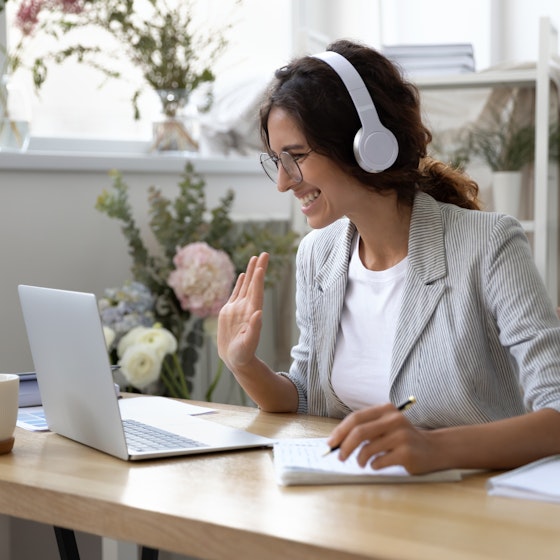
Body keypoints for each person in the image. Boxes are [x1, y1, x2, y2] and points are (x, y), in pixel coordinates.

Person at [217, 39, 560, 475]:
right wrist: (244, 365)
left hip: (474, 510)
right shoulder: (318, 256)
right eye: (276, 161)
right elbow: (306, 396)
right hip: (354, 503)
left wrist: (435, 449)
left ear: (366, 143)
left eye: (297, 157)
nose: (284, 182)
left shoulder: (489, 245)